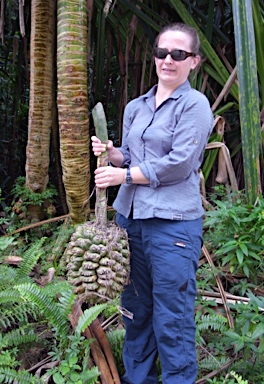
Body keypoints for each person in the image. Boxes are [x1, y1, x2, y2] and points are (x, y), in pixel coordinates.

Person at [91, 22, 214, 384]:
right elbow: (131, 156)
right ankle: (138, 379)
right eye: (162, 53)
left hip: (172, 225)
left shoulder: (195, 105)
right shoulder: (136, 106)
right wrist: (113, 154)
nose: (168, 60)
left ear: (194, 61)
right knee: (136, 310)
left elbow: (179, 164)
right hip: (132, 221)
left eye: (179, 54)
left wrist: (124, 177)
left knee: (171, 316)